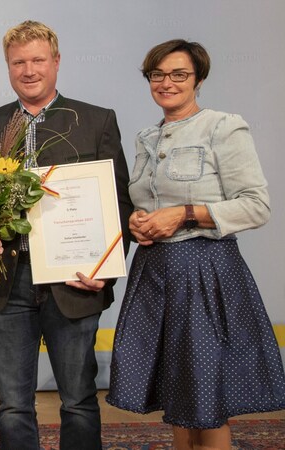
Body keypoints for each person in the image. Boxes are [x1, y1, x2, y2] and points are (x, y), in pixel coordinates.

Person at [0, 20, 133, 450]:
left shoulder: (96, 121)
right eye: (18, 62)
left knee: (77, 400)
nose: (29, 70)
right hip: (6, 282)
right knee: (13, 403)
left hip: (75, 279)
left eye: (38, 60)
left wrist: (105, 268)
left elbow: (119, 203)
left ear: (56, 62)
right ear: (8, 67)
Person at [106, 39, 285, 450]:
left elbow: (256, 207)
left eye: (178, 74)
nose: (167, 82)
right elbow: (147, 203)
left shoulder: (223, 126)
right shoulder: (146, 136)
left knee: (206, 396)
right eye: (158, 74)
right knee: (179, 391)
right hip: (154, 274)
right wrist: (140, 221)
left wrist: (184, 214)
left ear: (198, 79)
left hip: (205, 270)